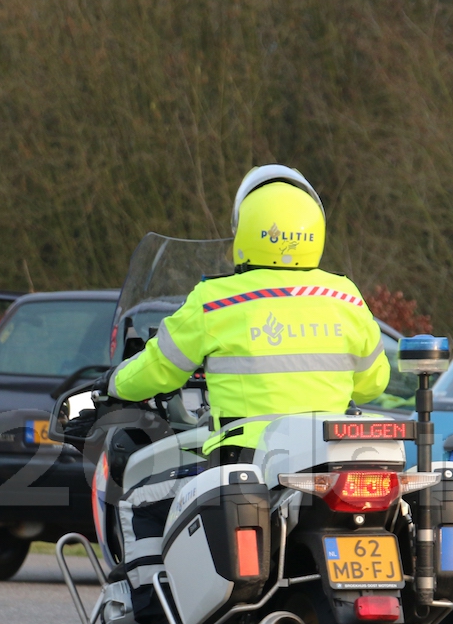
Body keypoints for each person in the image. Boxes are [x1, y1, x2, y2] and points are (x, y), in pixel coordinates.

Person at [107, 165, 389, 592]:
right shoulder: (344, 296)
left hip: (245, 461)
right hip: (331, 462)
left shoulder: (218, 299)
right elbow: (373, 384)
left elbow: (157, 369)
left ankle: (149, 614)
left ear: (245, 230)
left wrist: (113, 384)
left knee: (139, 501)